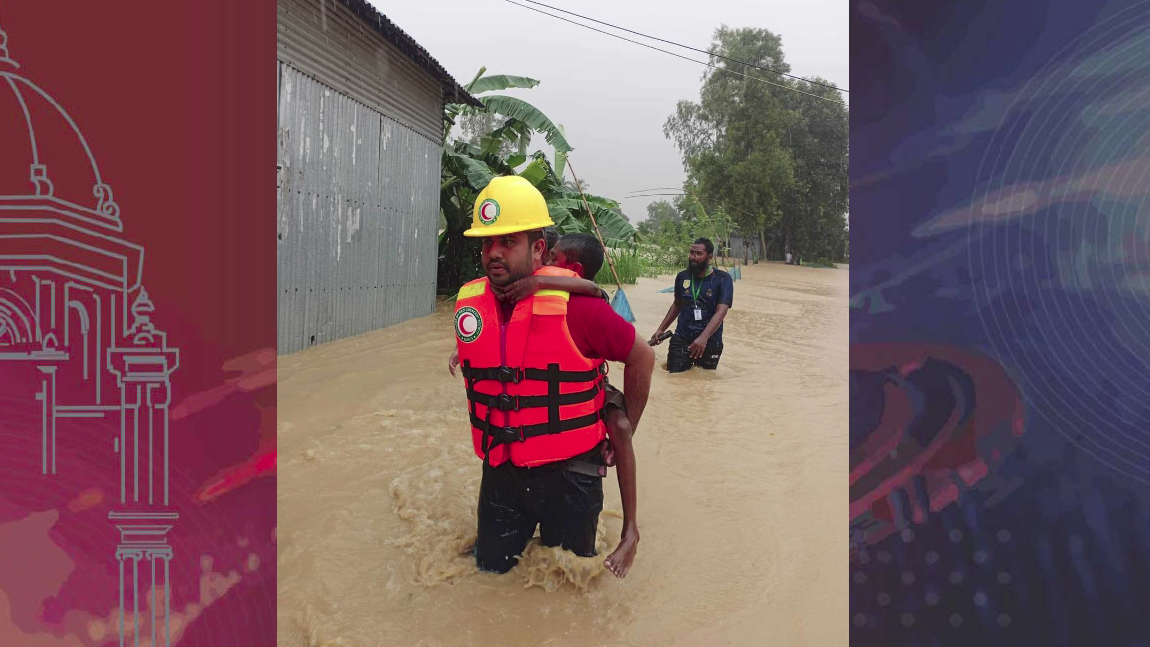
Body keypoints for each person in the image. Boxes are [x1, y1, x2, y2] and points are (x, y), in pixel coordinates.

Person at [453, 176, 655, 578]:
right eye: (487, 243)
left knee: (571, 584)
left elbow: (643, 357)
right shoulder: (471, 306)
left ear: (539, 248)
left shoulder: (580, 309)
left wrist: (626, 424)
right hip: (501, 474)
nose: (494, 253)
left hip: (571, 478)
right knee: (488, 575)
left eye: (508, 242)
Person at [649, 237, 733, 372]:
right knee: (675, 378)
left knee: (704, 382)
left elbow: (721, 311)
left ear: (709, 257)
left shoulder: (723, 279)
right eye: (692, 253)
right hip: (682, 337)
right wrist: (661, 329)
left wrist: (703, 338)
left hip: (710, 342)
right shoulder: (682, 277)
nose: (693, 257)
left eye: (699, 254)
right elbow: (677, 304)